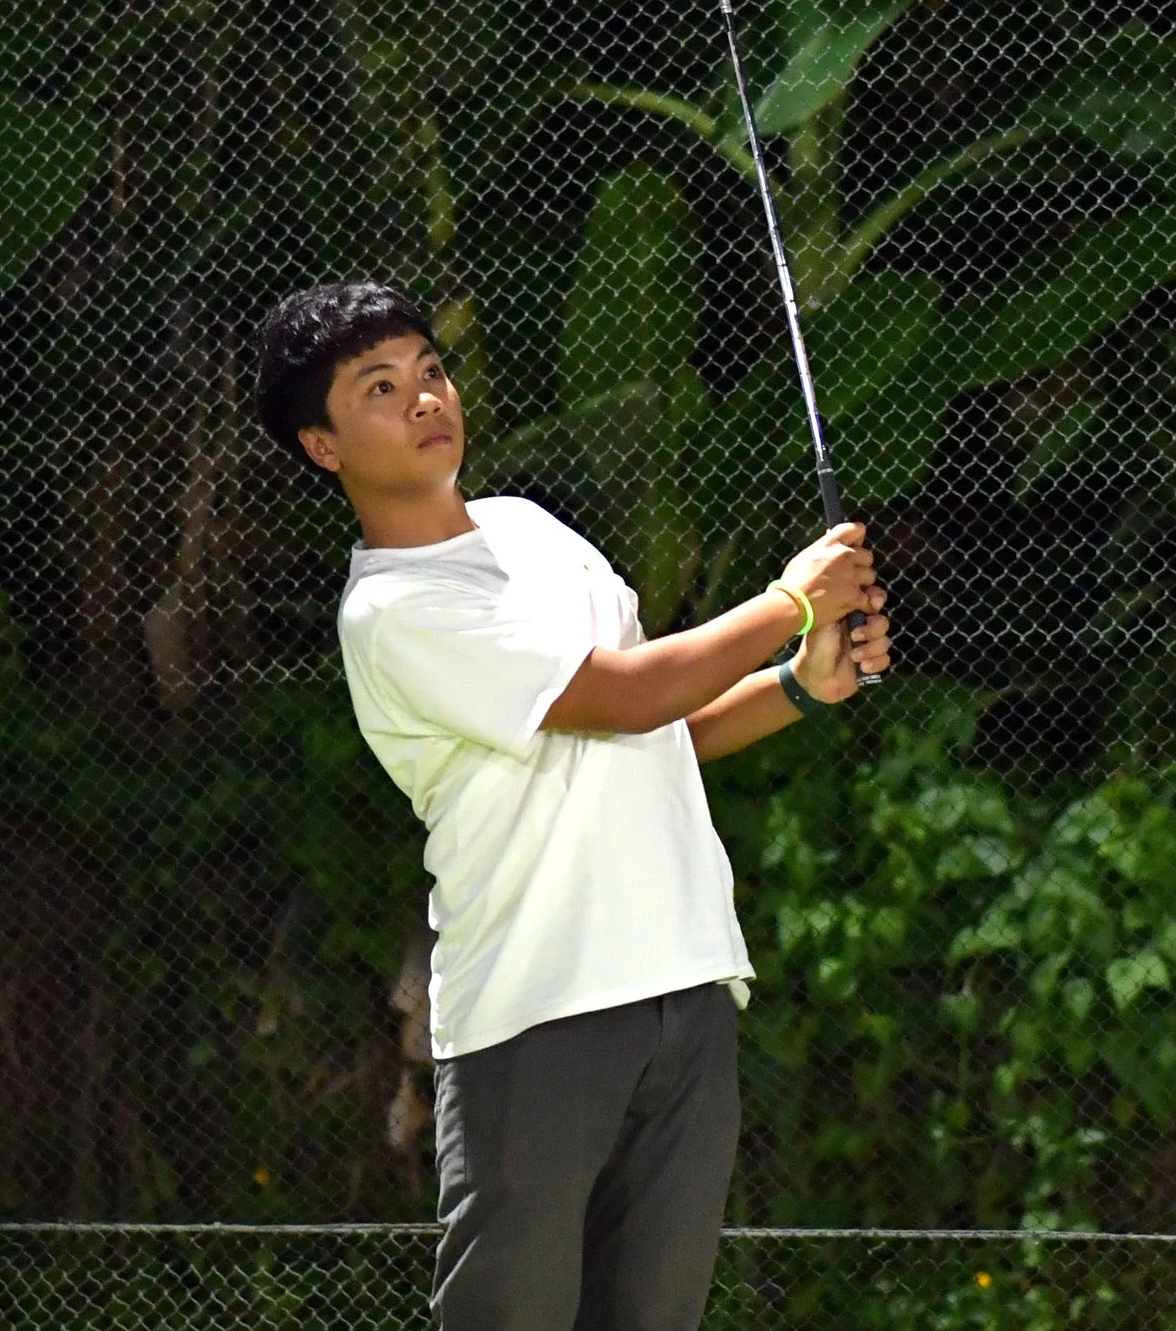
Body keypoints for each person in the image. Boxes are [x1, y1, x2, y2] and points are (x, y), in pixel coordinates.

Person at [253, 282, 890, 1331]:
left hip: (684, 981)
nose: (424, 399)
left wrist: (796, 683)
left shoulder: (533, 531)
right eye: (380, 387)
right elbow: (625, 691)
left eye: (430, 370)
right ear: (323, 446)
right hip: (536, 1011)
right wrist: (789, 604)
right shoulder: (393, 611)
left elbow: (656, 732)